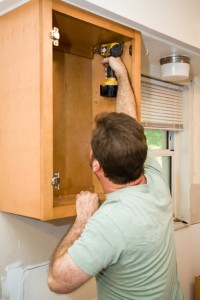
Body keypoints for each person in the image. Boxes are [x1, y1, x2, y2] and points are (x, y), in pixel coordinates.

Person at [48, 57, 184, 300]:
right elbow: (130, 124)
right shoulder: (156, 181)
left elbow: (57, 280)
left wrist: (83, 220)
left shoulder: (109, 222)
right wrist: (121, 74)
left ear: (96, 166)